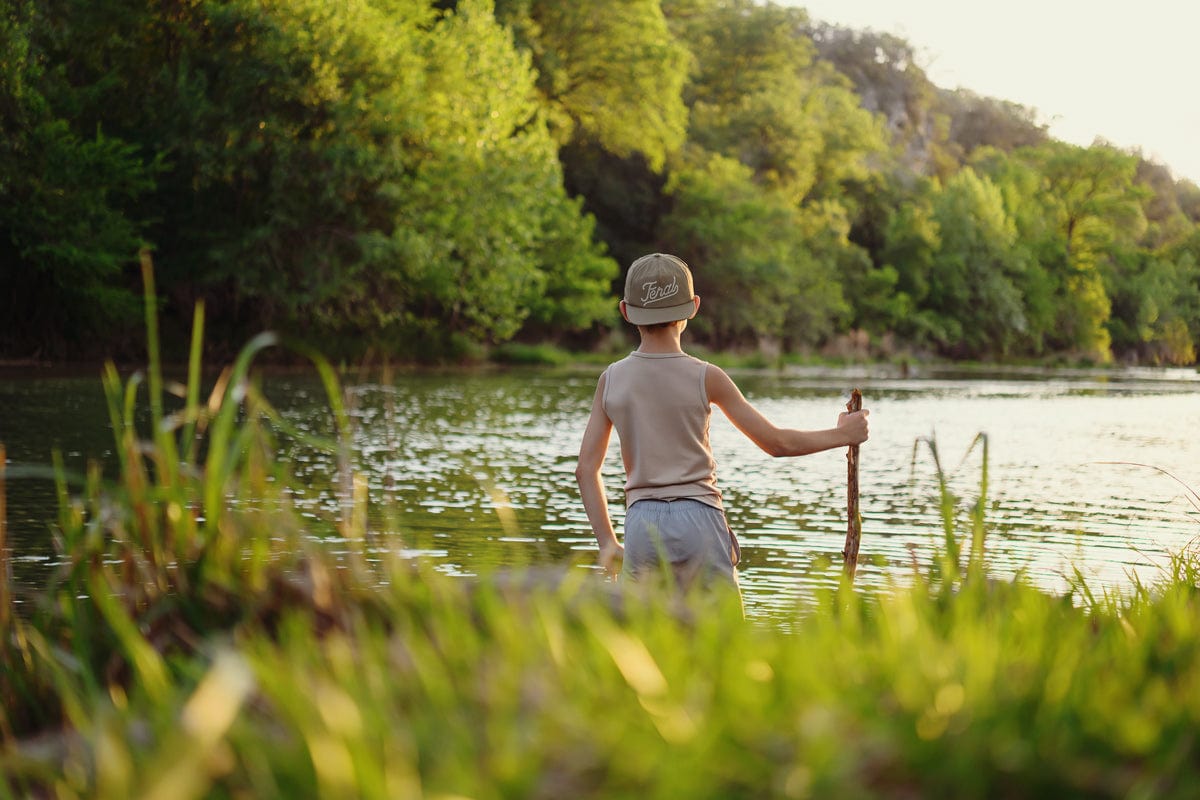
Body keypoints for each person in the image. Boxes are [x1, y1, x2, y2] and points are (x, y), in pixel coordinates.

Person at [575, 253, 870, 600]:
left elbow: (586, 469)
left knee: (645, 636)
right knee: (723, 639)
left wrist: (608, 543)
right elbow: (776, 443)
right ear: (694, 307)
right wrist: (843, 435)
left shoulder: (611, 380)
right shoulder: (706, 376)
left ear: (625, 311)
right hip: (699, 517)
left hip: (642, 521)